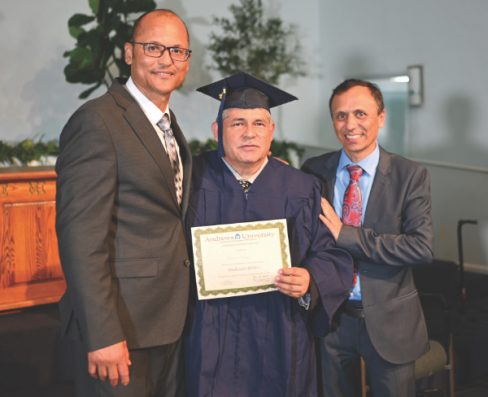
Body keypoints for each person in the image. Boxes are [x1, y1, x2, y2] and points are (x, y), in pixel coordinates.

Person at [184, 72, 354, 397]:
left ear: (271, 132)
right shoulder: (192, 181)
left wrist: (309, 279)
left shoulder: (302, 187)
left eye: (259, 124)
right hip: (208, 331)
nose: (250, 133)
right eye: (237, 124)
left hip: (280, 330)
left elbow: (331, 253)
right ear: (217, 131)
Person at [55, 9, 192, 397]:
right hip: (119, 334)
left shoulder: (167, 124)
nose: (166, 59)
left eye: (178, 51)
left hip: (166, 325)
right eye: (154, 47)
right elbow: (81, 238)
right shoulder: (97, 122)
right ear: (129, 53)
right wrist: (103, 334)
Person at [302, 79, 434, 397]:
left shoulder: (410, 175)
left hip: (390, 322)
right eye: (340, 115)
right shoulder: (312, 171)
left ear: (381, 117)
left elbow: (422, 247)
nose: (350, 125)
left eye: (360, 114)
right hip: (331, 320)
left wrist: (346, 235)